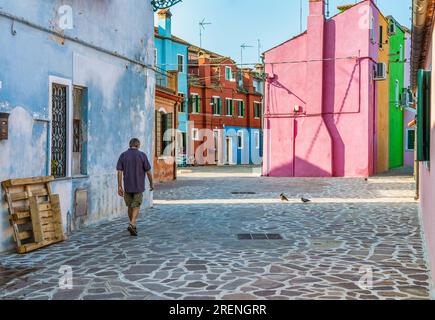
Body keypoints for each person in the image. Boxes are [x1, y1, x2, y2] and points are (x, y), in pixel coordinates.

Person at [116, 138, 154, 236]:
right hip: (138, 186)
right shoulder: (142, 156)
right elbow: (148, 172)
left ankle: (132, 224)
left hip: (127, 185)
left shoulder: (123, 155)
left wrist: (119, 186)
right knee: (136, 205)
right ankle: (132, 223)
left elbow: (119, 172)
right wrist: (151, 183)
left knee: (130, 206)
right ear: (138, 145)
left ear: (130, 145)